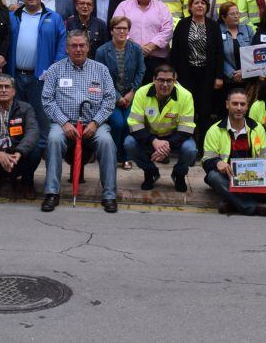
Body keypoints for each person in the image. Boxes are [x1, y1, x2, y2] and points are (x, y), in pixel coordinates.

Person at [39, 30, 120, 213]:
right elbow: (47, 100)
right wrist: (64, 123)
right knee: (53, 140)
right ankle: (52, 193)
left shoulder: (101, 70)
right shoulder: (55, 70)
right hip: (63, 124)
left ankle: (109, 195)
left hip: (94, 124)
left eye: (82, 45)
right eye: (73, 46)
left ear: (88, 47)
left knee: (107, 142)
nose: (78, 49)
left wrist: (95, 123)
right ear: (67, 48)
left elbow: (109, 100)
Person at [9, 0, 67, 154]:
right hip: (15, 76)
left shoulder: (53, 17)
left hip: (41, 77)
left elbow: (62, 46)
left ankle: (41, 152)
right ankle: (18, 151)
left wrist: (53, 70)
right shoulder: (12, 16)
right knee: (17, 117)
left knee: (42, 117)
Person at [202, 87, 266, 217]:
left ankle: (232, 202)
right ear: (227, 105)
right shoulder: (214, 130)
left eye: (242, 104)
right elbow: (206, 161)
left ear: (247, 106)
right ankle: (250, 207)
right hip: (228, 178)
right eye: (235, 103)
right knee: (213, 177)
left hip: (253, 178)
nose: (239, 108)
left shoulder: (257, 128)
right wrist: (218, 163)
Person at [125, 65, 197, 191]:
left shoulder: (186, 96)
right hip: (150, 137)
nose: (165, 84)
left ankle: (179, 174)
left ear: (175, 81)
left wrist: (165, 145)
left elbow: (187, 129)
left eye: (169, 81)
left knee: (191, 150)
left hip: (175, 138)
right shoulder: (142, 93)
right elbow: (134, 124)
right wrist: (154, 141)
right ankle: (150, 171)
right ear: (154, 80)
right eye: (161, 80)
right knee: (129, 143)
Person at [170, 0, 224, 147]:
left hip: (207, 75)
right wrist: (173, 75)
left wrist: (219, 77)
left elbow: (219, 52)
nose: (200, 5)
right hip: (186, 75)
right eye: (196, 3)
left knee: (205, 112)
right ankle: (189, 145)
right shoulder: (183, 24)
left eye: (203, 3)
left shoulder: (213, 26)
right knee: (188, 112)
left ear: (206, 6)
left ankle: (203, 147)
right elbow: (175, 51)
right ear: (190, 7)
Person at [0, 73, 42, 198]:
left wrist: (19, 152)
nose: (3, 90)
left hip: (18, 154)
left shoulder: (26, 108)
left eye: (7, 87)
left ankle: (27, 183)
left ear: (14, 91)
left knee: (36, 150)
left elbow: (33, 132)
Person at [95, 15, 145, 170]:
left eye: (125, 28)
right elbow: (100, 76)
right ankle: (112, 155)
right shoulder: (102, 51)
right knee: (117, 123)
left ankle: (126, 157)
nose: (122, 31)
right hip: (110, 96)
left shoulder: (135, 49)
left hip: (130, 96)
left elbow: (141, 71)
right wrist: (117, 97)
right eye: (118, 28)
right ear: (112, 31)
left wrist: (132, 92)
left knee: (129, 123)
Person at [113, 0, 174, 77]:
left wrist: (150, 46)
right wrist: (137, 48)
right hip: (129, 58)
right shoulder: (124, 6)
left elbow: (167, 30)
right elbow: (117, 28)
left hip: (156, 61)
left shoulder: (162, 7)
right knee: (131, 91)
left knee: (154, 92)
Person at [218, 1, 254, 90]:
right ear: (223, 17)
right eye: (232, 14)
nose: (236, 16)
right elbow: (218, 56)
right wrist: (232, 74)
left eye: (237, 13)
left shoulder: (248, 29)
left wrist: (244, 71)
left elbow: (254, 53)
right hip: (227, 79)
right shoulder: (217, 31)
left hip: (248, 78)